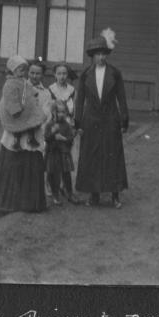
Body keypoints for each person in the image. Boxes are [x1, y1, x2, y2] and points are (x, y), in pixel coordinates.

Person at [74, 29, 129, 208]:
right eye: (97, 54)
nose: (101, 57)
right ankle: (94, 194)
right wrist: (77, 122)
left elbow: (121, 98)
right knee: (91, 156)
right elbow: (80, 100)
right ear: (92, 56)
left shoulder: (115, 73)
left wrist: (124, 119)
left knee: (112, 156)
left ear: (107, 54)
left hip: (110, 119)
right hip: (90, 120)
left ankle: (115, 195)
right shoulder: (85, 74)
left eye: (104, 53)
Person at [0, 55, 49, 213]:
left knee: (31, 164)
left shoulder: (44, 92)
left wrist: (35, 114)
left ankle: (30, 203)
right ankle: (8, 202)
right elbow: (8, 104)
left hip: (33, 131)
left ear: (42, 75)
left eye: (38, 73)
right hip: (16, 129)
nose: (33, 76)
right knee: (12, 163)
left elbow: (45, 111)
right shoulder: (13, 85)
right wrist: (19, 115)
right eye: (31, 72)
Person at [44, 100, 79, 205]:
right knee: (53, 175)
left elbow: (70, 139)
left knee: (66, 174)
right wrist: (53, 133)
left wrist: (63, 138)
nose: (62, 114)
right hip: (53, 154)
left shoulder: (67, 125)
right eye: (59, 112)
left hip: (64, 154)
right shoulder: (50, 124)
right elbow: (46, 138)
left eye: (64, 112)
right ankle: (55, 195)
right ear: (53, 112)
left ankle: (69, 193)